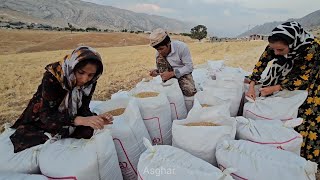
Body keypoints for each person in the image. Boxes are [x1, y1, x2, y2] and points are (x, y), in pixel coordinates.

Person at [9, 46, 113, 153]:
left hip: (69, 118)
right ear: (73, 67)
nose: (85, 79)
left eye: (90, 75)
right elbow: (46, 116)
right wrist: (78, 120)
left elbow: (83, 108)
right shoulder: (53, 77)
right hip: (43, 119)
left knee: (90, 131)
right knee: (37, 140)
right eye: (81, 72)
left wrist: (95, 118)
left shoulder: (90, 82)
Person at [246, 21, 320, 164]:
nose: (276, 53)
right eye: (274, 49)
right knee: (286, 112)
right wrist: (252, 85)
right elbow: (262, 63)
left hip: (312, 82)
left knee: (305, 117)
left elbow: (304, 78)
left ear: (291, 45)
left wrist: (274, 88)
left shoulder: (312, 48)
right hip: (288, 77)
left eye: (280, 50)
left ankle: (307, 160)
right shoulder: (277, 43)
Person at [148, 28, 197, 98]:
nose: (160, 52)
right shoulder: (158, 54)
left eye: (161, 49)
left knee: (189, 91)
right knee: (168, 94)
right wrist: (156, 72)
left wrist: (172, 74)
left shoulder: (181, 47)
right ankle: (167, 83)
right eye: (157, 49)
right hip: (168, 75)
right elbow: (162, 69)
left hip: (182, 73)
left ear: (168, 43)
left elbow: (189, 67)